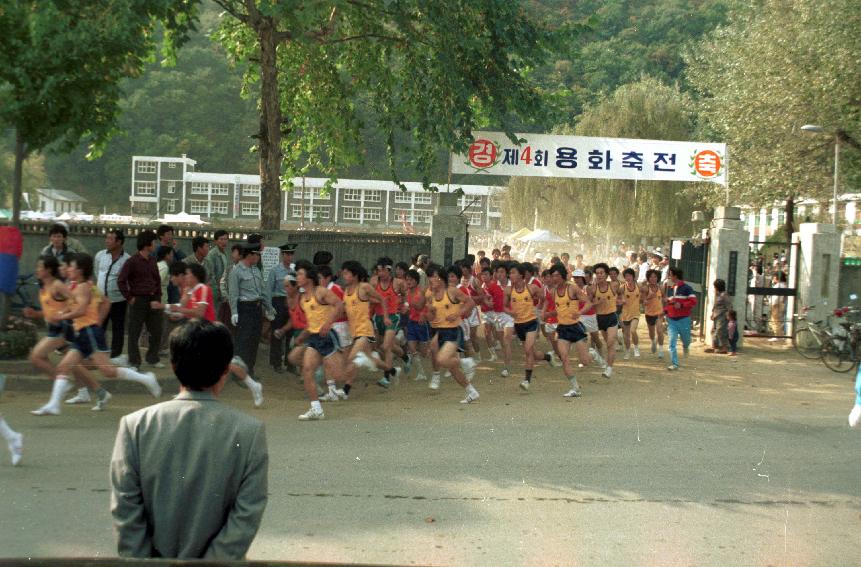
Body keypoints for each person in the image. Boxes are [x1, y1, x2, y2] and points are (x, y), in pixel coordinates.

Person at [110, 319, 268, 559]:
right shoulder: (249, 432)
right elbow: (245, 517)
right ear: (226, 369)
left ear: (174, 366)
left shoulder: (135, 426)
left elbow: (126, 512)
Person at [33, 253, 161, 415]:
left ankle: (146, 378)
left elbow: (81, 310)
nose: (69, 269)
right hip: (82, 334)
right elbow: (73, 306)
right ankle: (54, 404)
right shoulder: (74, 286)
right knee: (65, 366)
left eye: (72, 266)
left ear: (80, 270)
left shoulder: (84, 287)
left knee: (107, 371)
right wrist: (62, 311)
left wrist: (62, 316)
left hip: (90, 332)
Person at [294, 261, 348, 420]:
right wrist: (303, 335)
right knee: (307, 370)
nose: (297, 277)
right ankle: (316, 409)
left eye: (300, 274)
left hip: (327, 336)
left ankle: (363, 360)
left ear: (309, 277)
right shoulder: (303, 299)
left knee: (339, 376)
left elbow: (339, 305)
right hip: (314, 338)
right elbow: (312, 322)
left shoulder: (321, 292)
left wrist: (328, 323)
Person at [424, 265, 480, 403]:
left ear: (441, 278)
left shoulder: (452, 291)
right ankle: (471, 392)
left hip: (452, 331)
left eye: (433, 276)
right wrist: (429, 312)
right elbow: (430, 318)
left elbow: (470, 302)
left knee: (442, 360)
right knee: (453, 368)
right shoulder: (430, 295)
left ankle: (465, 361)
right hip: (438, 331)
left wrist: (457, 313)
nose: (431, 279)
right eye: (429, 277)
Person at [118, 231, 164, 371]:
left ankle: (152, 358)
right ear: (146, 244)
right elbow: (121, 281)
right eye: (153, 242)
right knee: (134, 332)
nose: (155, 245)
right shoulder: (132, 261)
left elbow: (157, 280)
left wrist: (158, 296)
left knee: (157, 330)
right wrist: (130, 298)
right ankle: (134, 361)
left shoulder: (152, 260)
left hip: (153, 299)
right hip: (138, 300)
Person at [547, 264, 593, 397]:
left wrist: (579, 312)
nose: (554, 278)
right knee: (564, 358)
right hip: (562, 329)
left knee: (585, 361)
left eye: (557, 275)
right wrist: (549, 314)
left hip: (575, 327)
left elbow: (589, 302)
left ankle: (593, 354)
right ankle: (575, 388)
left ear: (563, 276)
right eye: (552, 276)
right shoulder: (553, 292)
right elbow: (559, 309)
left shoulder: (572, 288)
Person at [506, 262, 552, 391]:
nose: (511, 275)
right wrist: (510, 312)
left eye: (513, 273)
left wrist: (541, 310)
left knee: (527, 350)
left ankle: (527, 380)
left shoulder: (532, 288)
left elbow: (545, 298)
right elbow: (503, 306)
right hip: (519, 324)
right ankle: (548, 357)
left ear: (521, 275)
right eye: (510, 273)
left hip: (531, 322)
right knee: (533, 353)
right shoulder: (508, 290)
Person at [229, 243, 267, 375]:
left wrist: (268, 308)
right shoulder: (236, 271)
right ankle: (238, 373)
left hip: (256, 308)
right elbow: (233, 293)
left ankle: (249, 370)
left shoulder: (256, 270)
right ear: (250, 255)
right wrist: (234, 312)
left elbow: (261, 291)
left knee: (254, 340)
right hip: (244, 308)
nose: (258, 257)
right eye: (257, 255)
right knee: (243, 341)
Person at [95, 229, 130, 361]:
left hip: (118, 300)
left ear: (119, 242)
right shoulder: (100, 255)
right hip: (101, 299)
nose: (107, 241)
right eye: (107, 238)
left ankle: (116, 355)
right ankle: (99, 352)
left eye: (110, 239)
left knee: (118, 328)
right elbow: (97, 272)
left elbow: (128, 280)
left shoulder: (127, 259)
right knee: (99, 325)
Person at [266, 243, 296, 373]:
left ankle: (290, 363)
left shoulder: (294, 272)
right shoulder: (274, 271)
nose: (290, 257)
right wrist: (269, 308)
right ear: (282, 255)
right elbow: (268, 291)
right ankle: (276, 363)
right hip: (278, 302)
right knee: (277, 333)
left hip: (291, 304)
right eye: (287, 254)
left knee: (291, 334)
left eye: (291, 254)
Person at [589, 263, 621, 378]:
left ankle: (609, 368)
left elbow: (622, 293)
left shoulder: (613, 285)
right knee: (606, 343)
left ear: (606, 274)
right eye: (597, 273)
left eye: (602, 273)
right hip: (600, 318)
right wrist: (595, 303)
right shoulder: (593, 288)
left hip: (611, 316)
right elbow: (587, 304)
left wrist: (619, 301)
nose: (599, 275)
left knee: (610, 343)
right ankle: (603, 360)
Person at [664, 266, 697, 371]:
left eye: (670, 275)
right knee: (671, 342)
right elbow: (670, 303)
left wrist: (682, 305)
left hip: (684, 319)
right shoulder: (670, 288)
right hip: (672, 319)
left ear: (675, 276)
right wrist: (664, 311)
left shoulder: (687, 288)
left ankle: (686, 346)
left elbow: (693, 301)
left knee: (686, 340)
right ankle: (675, 363)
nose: (669, 277)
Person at [204, 229, 230, 325]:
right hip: (215, 290)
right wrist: (218, 290)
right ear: (215, 241)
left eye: (226, 239)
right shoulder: (212, 254)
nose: (224, 242)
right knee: (213, 316)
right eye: (221, 239)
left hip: (222, 290)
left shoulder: (224, 253)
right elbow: (211, 275)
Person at [619, 268, 642, 359]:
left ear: (633, 276)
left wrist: (644, 300)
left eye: (630, 276)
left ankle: (636, 348)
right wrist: (621, 300)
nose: (628, 278)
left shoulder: (638, 286)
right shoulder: (622, 288)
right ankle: (628, 351)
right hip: (625, 314)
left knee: (633, 330)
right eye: (626, 276)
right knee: (626, 334)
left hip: (635, 313)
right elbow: (616, 298)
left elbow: (645, 293)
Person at [643, 269, 666, 358]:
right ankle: (653, 342)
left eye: (655, 277)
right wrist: (648, 298)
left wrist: (665, 303)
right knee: (651, 332)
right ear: (648, 278)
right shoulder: (645, 288)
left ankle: (660, 350)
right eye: (651, 277)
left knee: (660, 331)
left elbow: (664, 297)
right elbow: (642, 300)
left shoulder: (661, 287)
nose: (653, 278)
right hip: (649, 313)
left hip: (659, 313)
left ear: (658, 278)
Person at [706, 279, 730, 354]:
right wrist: (712, 313)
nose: (714, 288)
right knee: (713, 331)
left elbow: (729, 306)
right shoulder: (718, 294)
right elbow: (715, 305)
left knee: (720, 331)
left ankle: (724, 348)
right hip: (716, 315)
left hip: (722, 316)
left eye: (715, 286)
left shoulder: (724, 295)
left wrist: (728, 315)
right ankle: (714, 346)